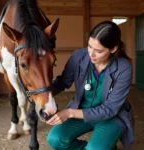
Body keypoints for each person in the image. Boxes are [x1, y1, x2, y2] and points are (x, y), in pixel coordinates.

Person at [46, 21, 134, 150]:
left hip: (111, 116)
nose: (91, 54)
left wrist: (70, 113)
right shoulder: (78, 56)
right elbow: (63, 82)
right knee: (55, 139)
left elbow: (109, 109)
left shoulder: (124, 68)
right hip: (81, 109)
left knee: (95, 148)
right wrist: (42, 92)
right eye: (89, 46)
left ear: (113, 49)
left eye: (98, 51)